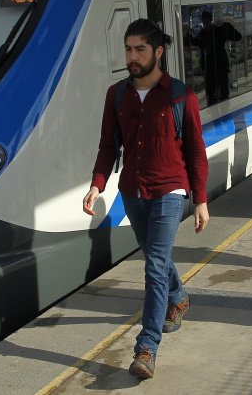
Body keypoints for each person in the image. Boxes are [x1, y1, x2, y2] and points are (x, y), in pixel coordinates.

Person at [83, 19, 209, 380]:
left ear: (158, 51)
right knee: (157, 257)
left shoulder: (180, 96)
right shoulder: (117, 94)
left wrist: (200, 200)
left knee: (154, 264)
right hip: (133, 190)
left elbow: (196, 151)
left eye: (139, 49)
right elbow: (109, 144)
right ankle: (179, 296)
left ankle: (146, 347)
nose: (132, 57)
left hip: (170, 189)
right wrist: (97, 184)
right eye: (128, 49)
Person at [188, 10, 242, 105]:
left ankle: (225, 114)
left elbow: (237, 36)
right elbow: (194, 42)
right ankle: (216, 113)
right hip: (210, 69)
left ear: (211, 21)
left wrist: (226, 25)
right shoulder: (203, 34)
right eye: (204, 23)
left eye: (207, 22)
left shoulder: (219, 31)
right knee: (211, 94)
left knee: (223, 94)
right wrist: (187, 35)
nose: (205, 25)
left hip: (220, 66)